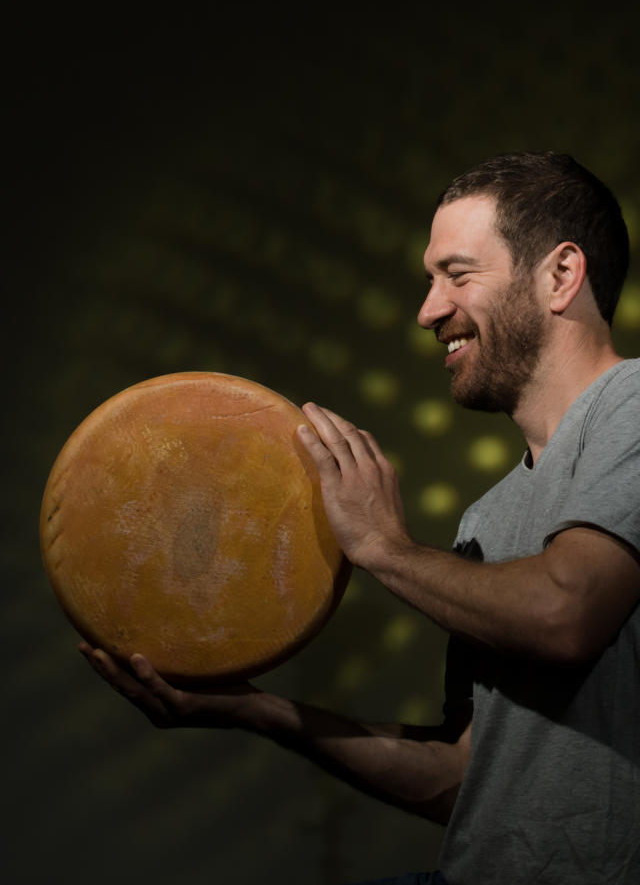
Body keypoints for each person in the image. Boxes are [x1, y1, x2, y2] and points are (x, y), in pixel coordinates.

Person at [79, 152, 640, 885]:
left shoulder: (633, 403)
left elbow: (569, 611)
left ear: (561, 276)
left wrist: (382, 547)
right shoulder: (487, 516)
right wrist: (257, 710)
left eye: (456, 274)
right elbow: (467, 775)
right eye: (429, 280)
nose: (428, 309)